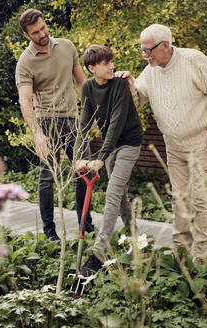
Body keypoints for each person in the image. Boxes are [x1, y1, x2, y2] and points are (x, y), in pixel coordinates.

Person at [117, 24, 207, 263]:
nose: (145, 55)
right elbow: (137, 102)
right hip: (174, 146)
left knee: (201, 200)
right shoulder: (150, 71)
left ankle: (203, 257)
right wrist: (129, 86)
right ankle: (181, 250)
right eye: (142, 50)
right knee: (179, 198)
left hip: (202, 143)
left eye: (149, 50)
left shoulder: (194, 60)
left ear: (166, 45)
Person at [15, 8, 93, 240]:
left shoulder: (67, 46)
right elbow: (25, 100)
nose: (42, 34)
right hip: (47, 123)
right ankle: (50, 233)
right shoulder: (25, 62)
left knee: (85, 172)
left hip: (73, 120)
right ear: (27, 35)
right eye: (35, 32)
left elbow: (83, 84)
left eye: (43, 27)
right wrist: (37, 134)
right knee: (48, 178)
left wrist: (90, 115)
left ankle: (85, 226)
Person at [75, 45, 143, 277]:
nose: (111, 66)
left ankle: (97, 255)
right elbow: (85, 122)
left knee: (113, 192)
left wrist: (101, 158)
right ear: (92, 68)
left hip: (129, 143)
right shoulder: (87, 87)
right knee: (120, 194)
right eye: (105, 63)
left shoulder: (120, 85)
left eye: (111, 61)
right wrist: (77, 157)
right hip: (111, 146)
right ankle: (134, 239)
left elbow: (115, 122)